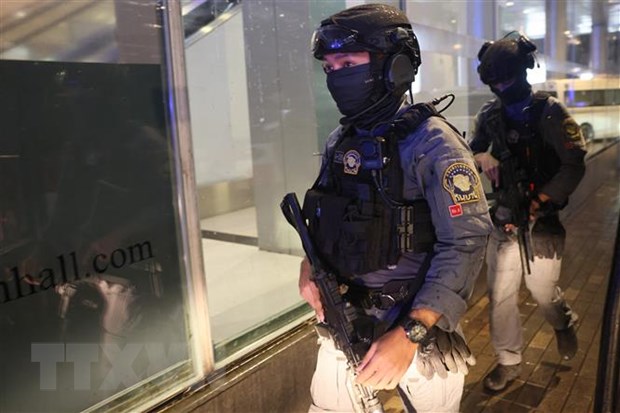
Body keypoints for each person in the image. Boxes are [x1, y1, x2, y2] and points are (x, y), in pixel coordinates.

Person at [297, 4, 493, 412]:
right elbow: (326, 218)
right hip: (346, 323)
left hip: (418, 335)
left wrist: (412, 333)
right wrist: (308, 267)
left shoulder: (433, 143)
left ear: (395, 66)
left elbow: (467, 241)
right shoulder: (340, 141)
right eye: (330, 67)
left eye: (348, 63)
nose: (336, 76)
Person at [469, 32, 587, 392]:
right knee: (500, 296)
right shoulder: (489, 116)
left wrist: (543, 199)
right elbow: (469, 154)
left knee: (543, 291)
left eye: (507, 79)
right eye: (495, 83)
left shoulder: (550, 112)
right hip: (506, 215)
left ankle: (563, 322)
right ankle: (509, 361)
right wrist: (481, 157)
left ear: (524, 71)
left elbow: (573, 163)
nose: (501, 88)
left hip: (541, 219)